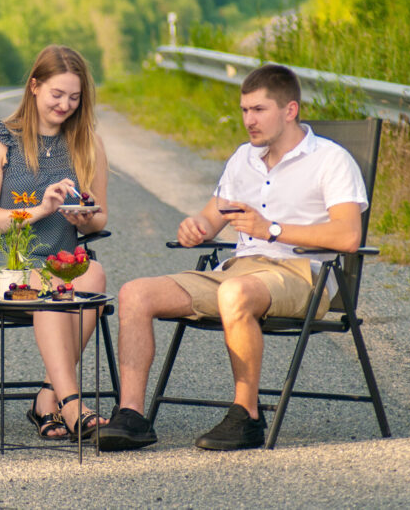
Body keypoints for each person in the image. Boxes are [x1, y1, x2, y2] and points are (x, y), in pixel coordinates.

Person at [97, 63, 368, 452]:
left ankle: (247, 416)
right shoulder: (244, 158)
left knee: (235, 293)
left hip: (303, 273)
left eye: (258, 110)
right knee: (134, 293)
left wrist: (271, 229)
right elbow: (211, 218)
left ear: (289, 110)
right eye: (244, 110)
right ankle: (132, 415)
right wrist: (195, 227)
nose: (248, 120)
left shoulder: (330, 159)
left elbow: (348, 235)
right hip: (240, 271)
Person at [0, 44, 110, 441]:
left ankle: (46, 397)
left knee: (93, 275)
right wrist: (39, 211)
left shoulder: (87, 144)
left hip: (57, 260)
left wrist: (85, 218)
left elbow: (100, 219)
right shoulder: (1, 139)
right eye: (57, 94)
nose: (65, 105)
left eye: (74, 98)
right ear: (34, 87)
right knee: (52, 288)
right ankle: (73, 404)